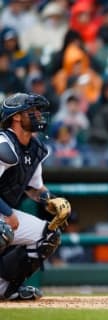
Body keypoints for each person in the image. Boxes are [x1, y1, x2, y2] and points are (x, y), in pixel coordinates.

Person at [0, 93, 71, 300]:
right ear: (16, 117)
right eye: (32, 111)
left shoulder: (35, 146)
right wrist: (7, 213)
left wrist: (52, 200)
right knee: (2, 231)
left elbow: (34, 188)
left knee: (48, 236)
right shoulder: (4, 145)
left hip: (5, 214)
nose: (38, 115)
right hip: (4, 213)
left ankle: (5, 289)